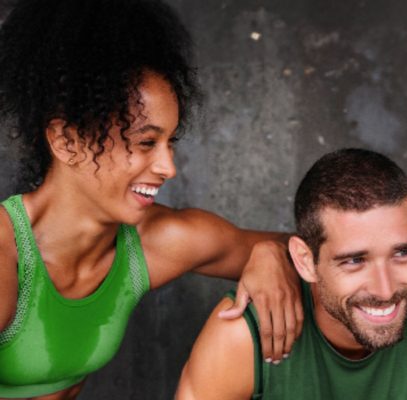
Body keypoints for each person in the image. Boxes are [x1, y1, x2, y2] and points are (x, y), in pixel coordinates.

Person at [0, 0, 304, 399]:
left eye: (169, 142)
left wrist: (268, 254)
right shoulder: (7, 253)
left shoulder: (156, 242)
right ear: (66, 141)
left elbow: (325, 255)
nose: (168, 167)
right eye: (146, 142)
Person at [177, 148, 407, 400]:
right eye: (355, 261)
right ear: (304, 261)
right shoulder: (241, 336)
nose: (385, 290)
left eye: (402, 253)